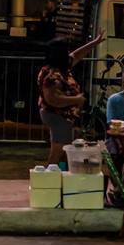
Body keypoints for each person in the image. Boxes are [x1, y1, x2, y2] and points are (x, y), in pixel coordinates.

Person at [37, 32, 106, 168]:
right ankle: (48, 179)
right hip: (56, 115)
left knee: (63, 150)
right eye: (66, 50)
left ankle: (60, 176)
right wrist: (76, 100)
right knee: (57, 150)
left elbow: (77, 55)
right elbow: (52, 99)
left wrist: (94, 43)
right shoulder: (52, 75)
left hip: (62, 116)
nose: (69, 52)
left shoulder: (62, 66)